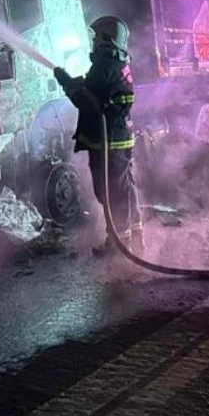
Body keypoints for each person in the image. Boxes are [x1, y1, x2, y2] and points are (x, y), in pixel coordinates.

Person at [54, 16, 143, 255]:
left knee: (109, 192)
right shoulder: (118, 64)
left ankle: (118, 245)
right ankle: (135, 236)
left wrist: (66, 82)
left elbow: (85, 101)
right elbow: (99, 93)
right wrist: (79, 84)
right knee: (124, 187)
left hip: (108, 141)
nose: (94, 42)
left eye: (97, 37)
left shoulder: (103, 66)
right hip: (119, 137)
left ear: (106, 39)